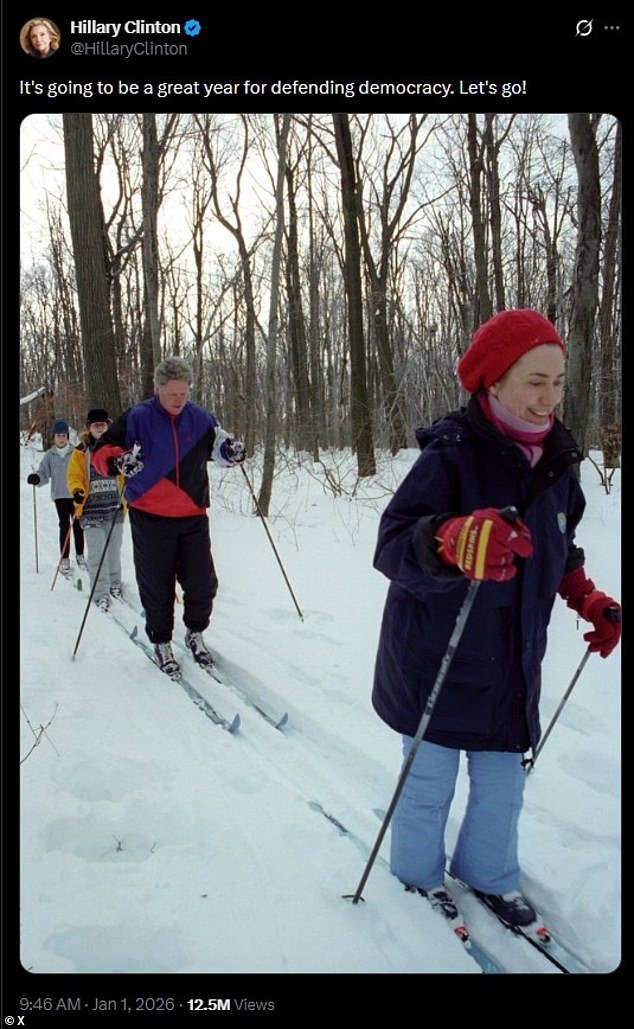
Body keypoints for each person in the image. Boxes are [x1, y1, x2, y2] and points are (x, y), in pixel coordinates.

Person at [371, 309, 621, 929]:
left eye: (558, 381)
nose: (549, 397)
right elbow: (393, 543)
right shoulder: (451, 455)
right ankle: (417, 876)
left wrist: (587, 597)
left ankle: (487, 874)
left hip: (511, 660)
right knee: (427, 782)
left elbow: (560, 546)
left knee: (504, 786)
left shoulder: (560, 462)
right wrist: (451, 539)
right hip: (437, 654)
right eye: (536, 381)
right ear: (496, 380)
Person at [91, 357, 245, 677]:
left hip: (192, 514)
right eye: (173, 393)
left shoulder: (201, 418)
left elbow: (220, 448)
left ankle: (194, 632)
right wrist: (120, 462)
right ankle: (161, 641)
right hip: (150, 514)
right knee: (157, 586)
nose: (179, 399)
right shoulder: (138, 416)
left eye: (184, 393)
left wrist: (231, 452)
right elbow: (101, 451)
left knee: (202, 584)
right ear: (158, 388)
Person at [67, 409, 126, 613]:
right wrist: (77, 491)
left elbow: (126, 474)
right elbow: (74, 475)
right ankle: (100, 593)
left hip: (115, 509)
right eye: (95, 425)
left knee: (114, 552)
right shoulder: (81, 451)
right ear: (88, 428)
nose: (100, 428)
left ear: (108, 426)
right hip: (91, 511)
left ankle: (115, 583)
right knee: (96, 555)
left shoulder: (117, 448)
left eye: (103, 424)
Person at [26, 419, 86, 576]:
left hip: (76, 494)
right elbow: (43, 473)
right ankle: (64, 559)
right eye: (58, 435)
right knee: (64, 525)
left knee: (78, 525)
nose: (61, 438)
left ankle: (80, 556)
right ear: (54, 437)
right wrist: (36, 478)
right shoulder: (50, 455)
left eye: (63, 435)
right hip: (59, 495)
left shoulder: (76, 453)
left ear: (68, 436)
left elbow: (83, 471)